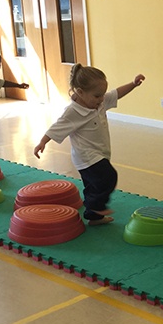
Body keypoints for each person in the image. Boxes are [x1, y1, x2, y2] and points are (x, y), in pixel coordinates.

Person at [34, 64, 145, 225]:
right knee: (109, 177)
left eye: (102, 95)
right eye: (97, 96)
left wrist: (133, 84)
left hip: (101, 152)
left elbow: (117, 93)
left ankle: (94, 217)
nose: (101, 99)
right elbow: (57, 127)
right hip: (86, 156)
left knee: (92, 186)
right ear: (80, 92)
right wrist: (42, 142)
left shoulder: (99, 102)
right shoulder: (73, 112)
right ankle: (95, 206)